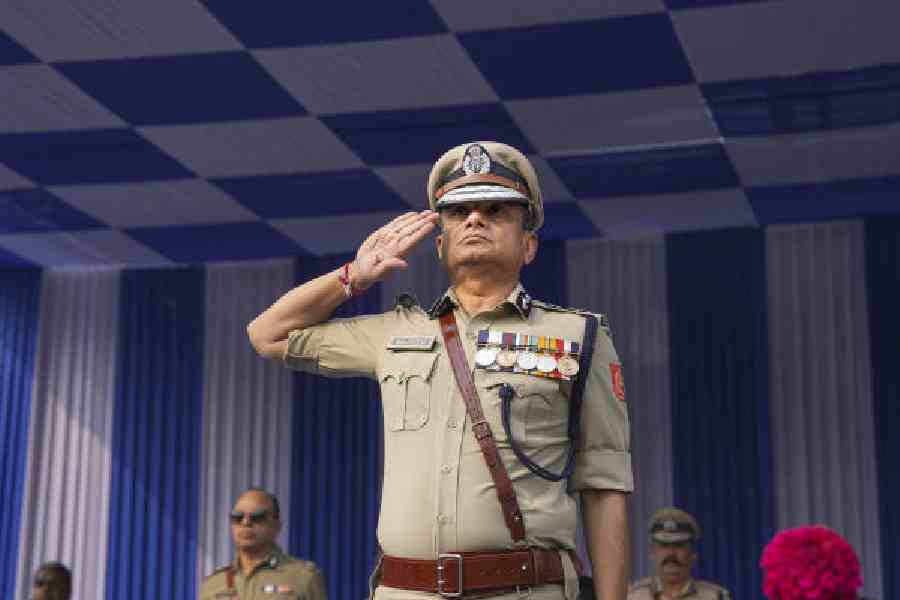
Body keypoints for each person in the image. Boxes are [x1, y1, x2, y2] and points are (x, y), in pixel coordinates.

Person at [248, 141, 633, 600]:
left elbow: (604, 485)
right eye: (459, 212)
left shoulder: (578, 336)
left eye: (496, 210)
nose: (475, 220)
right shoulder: (393, 332)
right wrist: (353, 277)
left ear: (528, 245)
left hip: (525, 590)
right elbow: (267, 334)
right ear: (439, 244)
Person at [199, 488, 327, 600]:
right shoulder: (213, 584)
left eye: (257, 517)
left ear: (276, 526)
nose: (245, 523)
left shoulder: (304, 577)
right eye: (238, 517)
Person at [627, 508, 730, 600]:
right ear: (652, 553)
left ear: (693, 555)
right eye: (664, 546)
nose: (671, 553)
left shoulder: (716, 597)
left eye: (679, 545)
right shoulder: (631, 596)